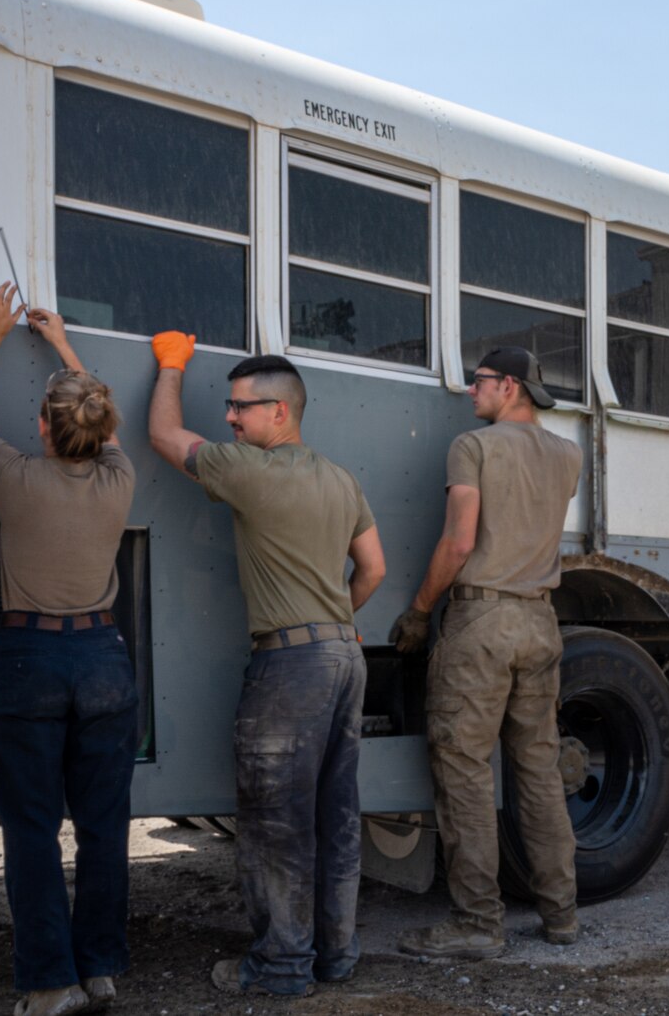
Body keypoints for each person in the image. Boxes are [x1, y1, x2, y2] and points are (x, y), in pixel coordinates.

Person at [145, 334, 386, 998]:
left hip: (291, 666)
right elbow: (374, 568)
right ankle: (335, 955)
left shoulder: (248, 470)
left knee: (276, 822)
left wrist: (170, 363)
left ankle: (281, 965)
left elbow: (164, 434)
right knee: (336, 817)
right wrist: (338, 617)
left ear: (279, 413)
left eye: (240, 407)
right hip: (343, 656)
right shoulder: (341, 477)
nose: (229, 417)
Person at [0, 284, 140, 1016]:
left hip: (29, 657)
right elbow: (98, 417)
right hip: (104, 658)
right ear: (101, 433)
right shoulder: (118, 479)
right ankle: (98, 966)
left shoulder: (15, 476)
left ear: (40, 427)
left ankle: (49, 983)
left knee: (33, 831)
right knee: (104, 827)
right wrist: (65, 343)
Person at [392, 347, 585, 961]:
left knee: (465, 770)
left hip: (482, 620)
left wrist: (420, 610)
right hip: (540, 621)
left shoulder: (472, 448)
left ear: (509, 385)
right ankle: (561, 914)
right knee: (538, 771)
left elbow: (458, 541)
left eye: (477, 383)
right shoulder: (567, 453)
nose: (469, 392)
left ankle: (477, 922)